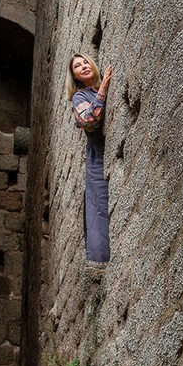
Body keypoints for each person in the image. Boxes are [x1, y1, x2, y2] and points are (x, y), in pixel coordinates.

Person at [66, 53, 112, 264]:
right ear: (75, 76)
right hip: (98, 159)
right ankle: (101, 261)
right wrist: (103, 90)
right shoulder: (80, 97)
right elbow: (89, 121)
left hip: (107, 151)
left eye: (85, 62)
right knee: (99, 208)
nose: (83, 66)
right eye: (77, 66)